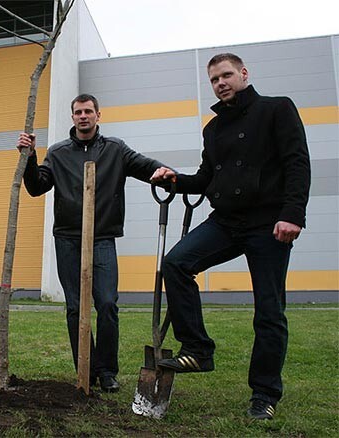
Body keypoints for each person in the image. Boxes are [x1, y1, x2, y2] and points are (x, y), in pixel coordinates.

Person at [150, 53, 311, 420]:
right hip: (225, 221)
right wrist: (175, 180)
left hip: (268, 222)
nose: (220, 83)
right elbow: (207, 178)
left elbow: (297, 162)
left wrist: (292, 214)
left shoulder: (276, 109)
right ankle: (198, 349)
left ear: (243, 73)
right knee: (175, 263)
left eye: (226, 76)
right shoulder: (214, 128)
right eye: (214, 79)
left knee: (269, 311)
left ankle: (264, 395)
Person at [17, 94, 169, 392]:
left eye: (88, 111)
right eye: (78, 112)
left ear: (99, 115)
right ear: (72, 117)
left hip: (102, 238)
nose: (83, 116)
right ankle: (86, 369)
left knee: (108, 304)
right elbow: (37, 187)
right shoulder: (58, 153)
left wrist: (165, 172)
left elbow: (145, 166)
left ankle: (108, 372)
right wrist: (30, 157)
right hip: (68, 238)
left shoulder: (115, 149)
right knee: (75, 307)